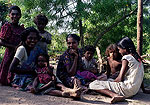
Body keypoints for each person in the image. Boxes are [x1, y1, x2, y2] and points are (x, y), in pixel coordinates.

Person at [89, 36, 144, 103]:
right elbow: (140, 76)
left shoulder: (126, 58)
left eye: (119, 49)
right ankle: (116, 91)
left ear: (125, 49)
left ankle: (115, 95)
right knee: (109, 80)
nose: (119, 52)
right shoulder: (138, 59)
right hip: (134, 91)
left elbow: (120, 79)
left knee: (93, 84)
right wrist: (144, 90)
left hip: (126, 90)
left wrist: (109, 83)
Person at [0, 6, 24, 85]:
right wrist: (14, 47)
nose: (15, 16)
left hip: (19, 54)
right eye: (13, 14)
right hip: (9, 53)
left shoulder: (22, 29)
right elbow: (1, 41)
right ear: (9, 15)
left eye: (17, 14)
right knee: (7, 67)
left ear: (20, 16)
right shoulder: (7, 27)